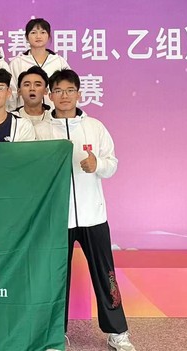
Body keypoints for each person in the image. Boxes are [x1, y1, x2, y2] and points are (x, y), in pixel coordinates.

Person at [45, 69, 135, 351]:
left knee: (105, 275)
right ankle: (55, 334)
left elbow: (112, 163)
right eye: (58, 90)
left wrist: (98, 164)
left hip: (93, 215)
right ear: (50, 95)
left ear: (79, 94)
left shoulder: (95, 127)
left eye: (70, 90)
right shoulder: (41, 129)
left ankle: (117, 332)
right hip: (57, 218)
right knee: (55, 277)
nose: (64, 96)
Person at [9, 18, 69, 107]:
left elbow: (69, 87)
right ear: (26, 37)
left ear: (49, 36)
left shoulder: (59, 61)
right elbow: (12, 94)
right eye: (33, 32)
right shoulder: (17, 63)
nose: (38, 36)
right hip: (25, 113)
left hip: (54, 113)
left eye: (43, 32)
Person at [14, 66, 52, 140]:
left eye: (37, 85)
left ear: (46, 91)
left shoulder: (53, 118)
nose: (32, 89)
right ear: (19, 91)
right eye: (27, 85)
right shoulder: (12, 119)